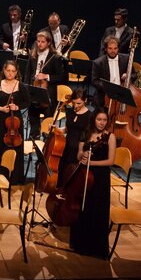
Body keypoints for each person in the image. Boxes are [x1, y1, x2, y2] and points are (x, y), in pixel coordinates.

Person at [67, 109, 116, 259]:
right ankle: (80, 244)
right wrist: (83, 155)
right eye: (99, 119)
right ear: (94, 119)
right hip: (84, 176)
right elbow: (78, 154)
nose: (101, 123)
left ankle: (95, 248)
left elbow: (110, 161)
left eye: (104, 120)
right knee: (83, 207)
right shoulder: (86, 133)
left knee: (97, 209)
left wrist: (91, 162)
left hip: (100, 178)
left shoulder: (110, 137)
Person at [0, 60, 29, 185]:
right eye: (8, 71)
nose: (10, 74)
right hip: (0, 119)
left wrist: (17, 107)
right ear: (4, 71)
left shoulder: (21, 86)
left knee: (14, 146)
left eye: (13, 71)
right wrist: (0, 108)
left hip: (15, 122)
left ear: (16, 72)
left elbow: (27, 102)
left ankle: (14, 178)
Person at [25, 31, 66, 135]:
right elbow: (28, 73)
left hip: (48, 94)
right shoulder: (33, 55)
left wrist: (46, 76)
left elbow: (62, 77)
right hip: (34, 91)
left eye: (42, 42)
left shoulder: (55, 57)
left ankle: (46, 140)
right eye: (38, 41)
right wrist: (27, 89)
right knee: (33, 119)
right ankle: (34, 138)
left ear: (48, 43)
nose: (39, 44)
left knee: (47, 122)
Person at [59, 90, 91, 187]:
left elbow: (88, 136)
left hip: (79, 149)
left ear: (85, 100)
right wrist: (56, 129)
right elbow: (67, 129)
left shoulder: (89, 115)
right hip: (67, 146)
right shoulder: (69, 112)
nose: (75, 106)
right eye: (73, 103)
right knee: (63, 171)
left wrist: (81, 151)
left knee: (73, 176)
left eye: (79, 103)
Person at [91, 36, 132, 110]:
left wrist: (128, 75)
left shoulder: (126, 59)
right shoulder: (98, 62)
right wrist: (109, 88)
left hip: (122, 95)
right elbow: (94, 81)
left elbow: (135, 74)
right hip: (104, 95)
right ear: (106, 49)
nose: (113, 51)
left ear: (118, 48)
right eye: (110, 48)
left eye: (115, 48)